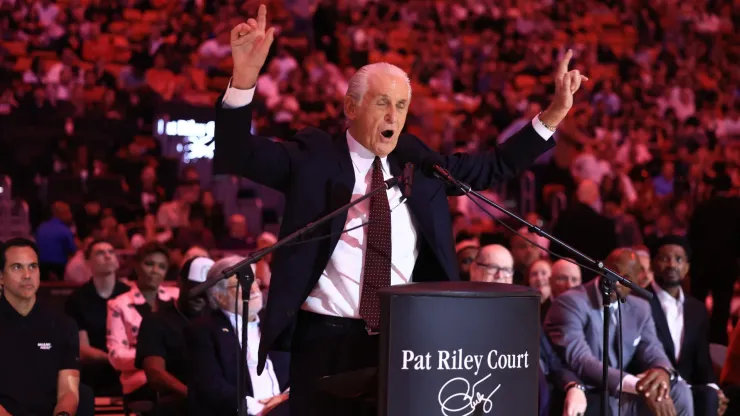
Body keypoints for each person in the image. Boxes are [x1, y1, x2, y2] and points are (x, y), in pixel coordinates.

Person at [216, 5, 587, 414]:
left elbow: (492, 165)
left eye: (402, 105)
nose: (394, 115)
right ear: (351, 107)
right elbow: (238, 153)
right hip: (325, 341)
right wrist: (244, 79)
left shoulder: (421, 167)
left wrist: (552, 116)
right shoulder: (313, 159)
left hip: (405, 342)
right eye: (382, 103)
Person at [545, 248, 692, 415]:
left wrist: (662, 372)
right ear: (602, 268)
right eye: (612, 272)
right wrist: (637, 385)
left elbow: (653, 350)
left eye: (626, 278)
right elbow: (581, 360)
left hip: (621, 394)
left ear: (638, 280)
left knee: (679, 390)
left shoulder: (640, 308)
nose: (615, 281)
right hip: (587, 391)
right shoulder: (571, 302)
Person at [186, 256, 289, 416]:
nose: (254, 289)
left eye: (254, 281)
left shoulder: (277, 322)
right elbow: (210, 385)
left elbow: (301, 368)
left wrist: (285, 398)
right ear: (219, 296)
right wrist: (259, 409)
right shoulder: (203, 330)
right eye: (242, 284)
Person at [647, 235, 728, 415]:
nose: (672, 265)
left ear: (687, 268)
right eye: (665, 258)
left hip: (689, 389)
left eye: (679, 259)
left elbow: (702, 360)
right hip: (652, 389)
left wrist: (715, 389)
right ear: (652, 264)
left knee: (710, 396)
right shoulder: (639, 302)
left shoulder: (696, 309)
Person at [0, 238, 80, 416]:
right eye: (16, 267)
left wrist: (63, 414)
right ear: (1, 277)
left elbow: (68, 391)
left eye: (33, 266)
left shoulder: (63, 324)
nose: (27, 275)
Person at [136, 256, 214, 415]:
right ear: (180, 282)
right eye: (195, 288)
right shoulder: (156, 321)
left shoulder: (218, 319)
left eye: (206, 290)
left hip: (218, 397)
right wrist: (194, 397)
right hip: (180, 400)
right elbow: (155, 374)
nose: (200, 296)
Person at [107, 242, 179, 403]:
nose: (155, 271)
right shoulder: (119, 304)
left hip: (178, 373)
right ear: (137, 266)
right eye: (149, 264)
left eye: (161, 266)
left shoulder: (176, 298)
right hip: (139, 379)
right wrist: (154, 359)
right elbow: (116, 356)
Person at [65, 239, 130, 396]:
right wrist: (115, 359)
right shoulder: (77, 299)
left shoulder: (129, 294)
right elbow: (83, 349)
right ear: (88, 262)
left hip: (128, 370)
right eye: (100, 253)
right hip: (95, 372)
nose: (107, 256)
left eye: (111, 252)